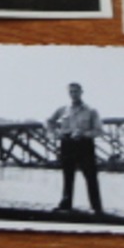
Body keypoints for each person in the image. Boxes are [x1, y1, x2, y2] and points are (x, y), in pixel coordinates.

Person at [45, 81, 104, 215]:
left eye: (76, 91)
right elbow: (49, 122)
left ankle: (96, 207)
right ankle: (66, 204)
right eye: (71, 92)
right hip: (67, 144)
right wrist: (55, 135)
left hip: (85, 145)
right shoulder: (62, 109)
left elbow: (99, 130)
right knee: (68, 175)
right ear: (68, 93)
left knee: (90, 176)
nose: (73, 94)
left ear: (81, 92)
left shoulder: (91, 110)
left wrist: (84, 134)